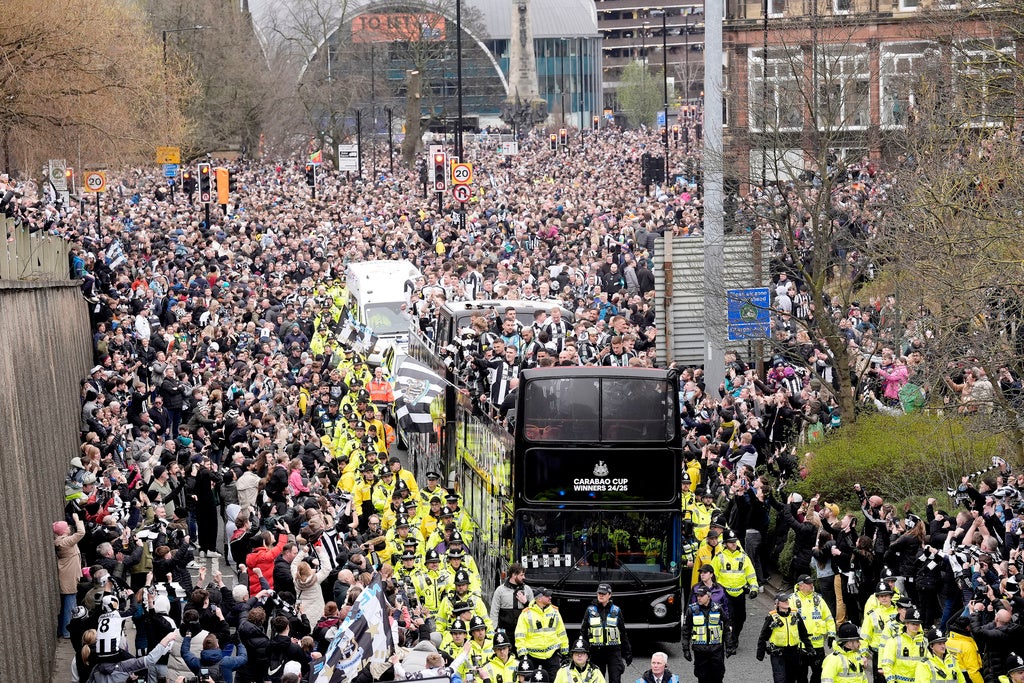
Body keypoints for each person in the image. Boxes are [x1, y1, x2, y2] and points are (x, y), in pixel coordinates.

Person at [710, 528, 758, 648]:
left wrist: (754, 588)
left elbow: (751, 574)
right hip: (725, 592)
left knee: (741, 618)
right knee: (729, 618)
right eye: (731, 542)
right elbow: (711, 575)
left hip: (740, 592)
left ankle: (734, 636)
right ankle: (730, 641)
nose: (734, 544)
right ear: (725, 543)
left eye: (735, 541)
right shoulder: (719, 557)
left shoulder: (743, 557)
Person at [579, 583, 631, 683]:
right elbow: (583, 632)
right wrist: (582, 651)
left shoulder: (616, 610)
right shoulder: (590, 610)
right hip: (596, 651)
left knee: (615, 679)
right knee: (597, 679)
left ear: (609, 595)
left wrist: (627, 652)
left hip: (613, 651)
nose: (601, 595)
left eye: (603, 593)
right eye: (599, 593)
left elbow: (623, 632)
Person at [515, 587, 569, 681]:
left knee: (555, 680)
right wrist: (523, 655)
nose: (550, 597)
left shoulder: (555, 611)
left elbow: (561, 632)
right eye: (547, 596)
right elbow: (520, 635)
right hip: (533, 657)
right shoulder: (526, 613)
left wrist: (565, 652)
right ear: (539, 598)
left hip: (552, 656)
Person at [756, 592, 811, 683]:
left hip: (793, 653)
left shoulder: (795, 614)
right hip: (778, 654)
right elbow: (763, 636)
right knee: (780, 679)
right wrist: (760, 653)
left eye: (786, 599)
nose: (786, 601)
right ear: (777, 604)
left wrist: (809, 648)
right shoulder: (772, 617)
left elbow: (803, 633)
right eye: (783, 600)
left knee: (791, 679)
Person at [681, 585, 731, 683]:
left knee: (718, 676)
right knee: (702, 677)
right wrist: (686, 649)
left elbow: (726, 628)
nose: (698, 598)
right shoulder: (692, 610)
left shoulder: (718, 609)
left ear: (709, 596)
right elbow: (686, 631)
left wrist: (729, 646)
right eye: (697, 596)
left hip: (716, 649)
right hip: (700, 651)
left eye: (701, 595)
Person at [791, 574, 836, 683]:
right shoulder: (791, 600)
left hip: (817, 645)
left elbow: (828, 618)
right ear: (801, 586)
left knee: (819, 673)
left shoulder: (819, 599)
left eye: (812, 583)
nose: (812, 585)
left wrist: (832, 635)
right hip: (800, 646)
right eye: (809, 583)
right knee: (801, 675)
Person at [55, 512, 86, 638]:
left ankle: (64, 629)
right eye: (67, 527)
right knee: (70, 605)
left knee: (68, 604)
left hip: (69, 574)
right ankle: (68, 631)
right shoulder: (65, 542)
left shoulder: (62, 541)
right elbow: (81, 533)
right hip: (68, 576)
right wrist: (77, 519)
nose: (69, 528)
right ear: (63, 531)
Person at [490, 562, 533, 651]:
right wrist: (494, 630)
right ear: (514, 575)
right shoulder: (500, 591)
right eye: (521, 575)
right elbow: (494, 611)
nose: (524, 577)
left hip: (523, 632)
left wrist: (526, 602)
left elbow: (534, 611)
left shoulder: (528, 590)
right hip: (505, 632)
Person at [881, 607, 926, 683]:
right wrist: (891, 681)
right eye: (913, 624)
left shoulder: (925, 642)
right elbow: (887, 664)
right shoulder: (894, 641)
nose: (915, 626)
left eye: (918, 624)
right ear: (906, 624)